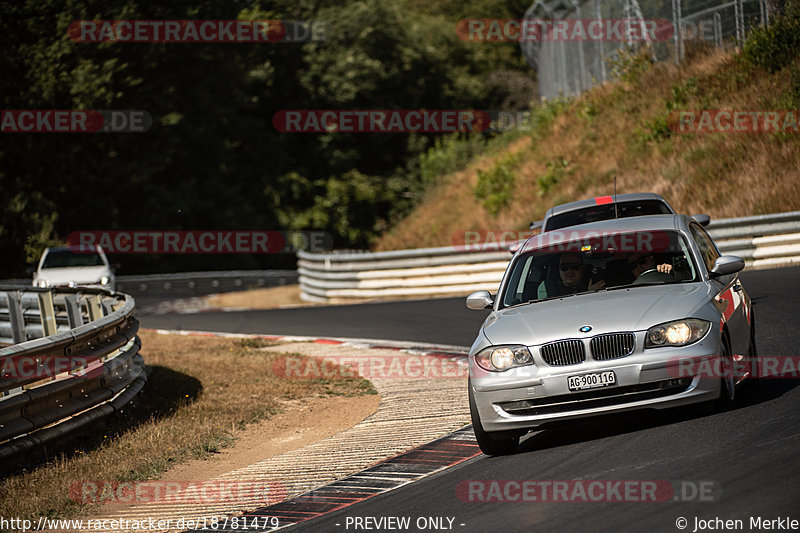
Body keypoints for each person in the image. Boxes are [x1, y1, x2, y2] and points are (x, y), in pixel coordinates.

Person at [538, 252, 605, 299]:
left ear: (583, 268)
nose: (569, 271)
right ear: (558, 269)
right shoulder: (547, 288)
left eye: (575, 266)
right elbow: (550, 311)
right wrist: (588, 294)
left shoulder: (594, 283)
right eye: (564, 267)